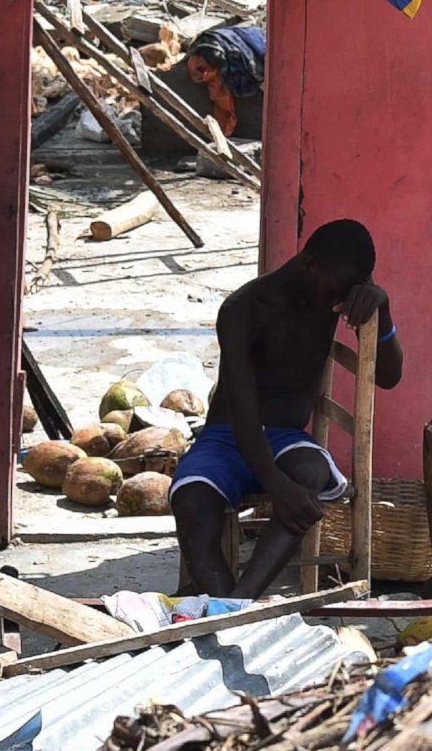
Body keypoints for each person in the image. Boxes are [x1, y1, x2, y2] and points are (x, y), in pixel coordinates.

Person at [170, 219, 404, 598]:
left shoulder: (337, 293)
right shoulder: (242, 309)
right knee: (191, 502)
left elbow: (390, 376)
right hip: (227, 435)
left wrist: (383, 309)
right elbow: (243, 414)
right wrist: (278, 487)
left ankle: (233, 607)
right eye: (338, 287)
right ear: (308, 263)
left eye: (353, 288)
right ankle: (234, 611)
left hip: (286, 438)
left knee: (310, 471)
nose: (341, 299)